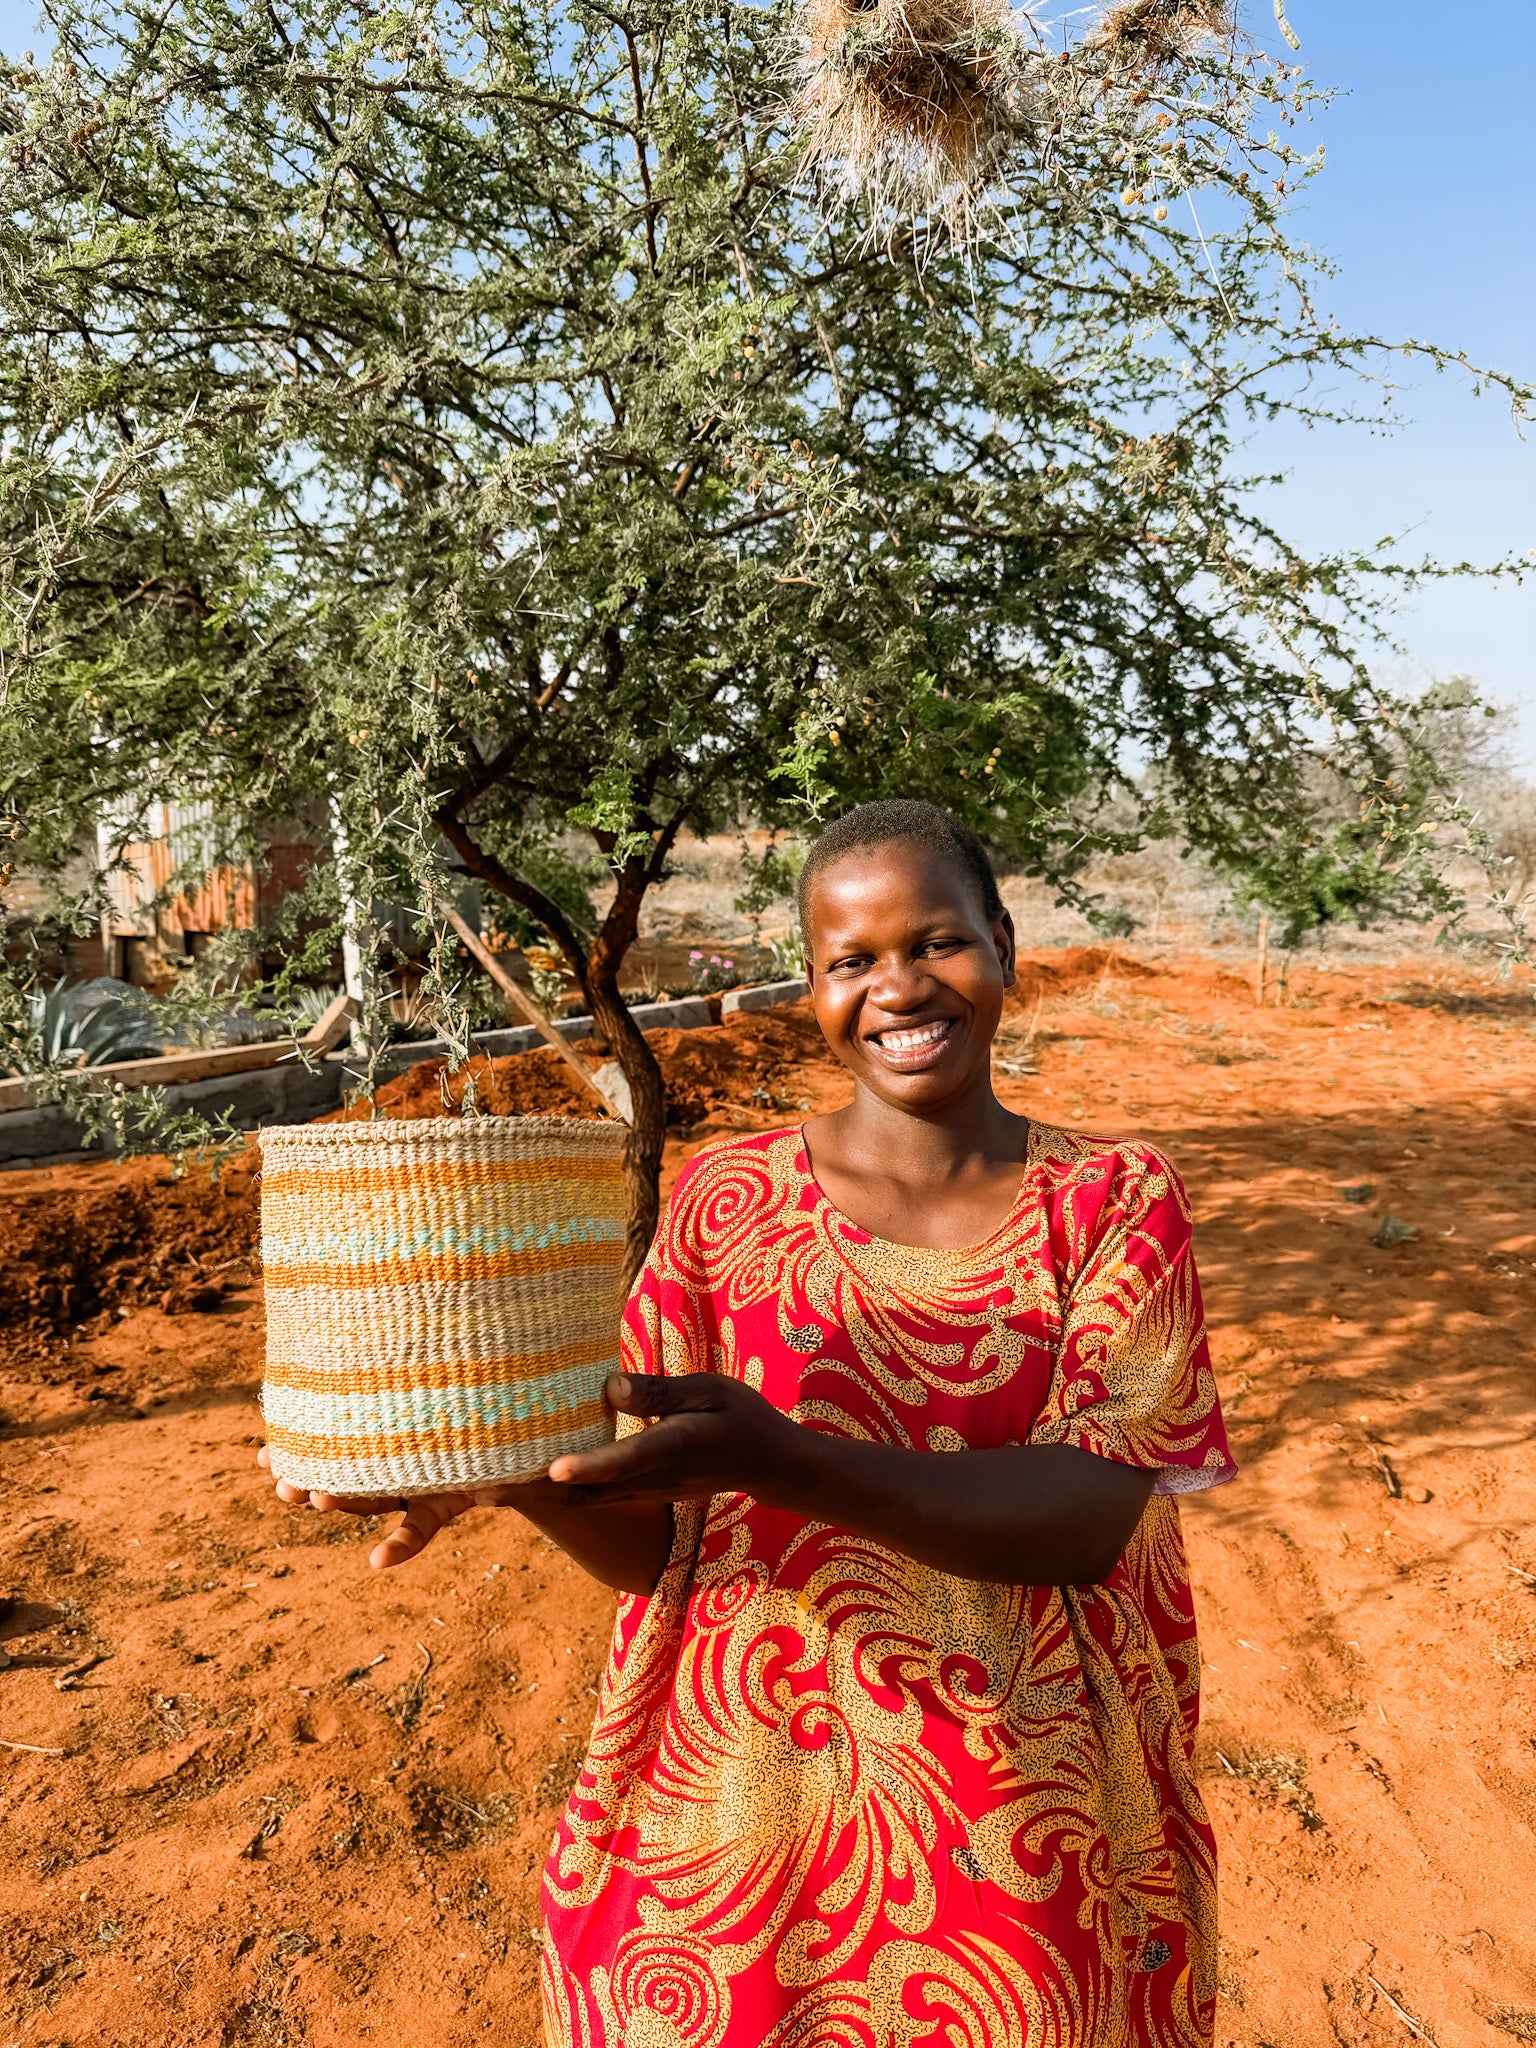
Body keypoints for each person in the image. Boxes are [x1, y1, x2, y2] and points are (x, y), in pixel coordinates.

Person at [261, 798, 1235, 2048]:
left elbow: (1087, 1518)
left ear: (1001, 938)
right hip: (743, 1814)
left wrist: (782, 1456)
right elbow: (663, 1546)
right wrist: (513, 1475)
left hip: (1028, 1829)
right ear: (813, 982)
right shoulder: (731, 1205)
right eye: (852, 960)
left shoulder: (1110, 1198)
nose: (899, 986)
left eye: (935, 941)